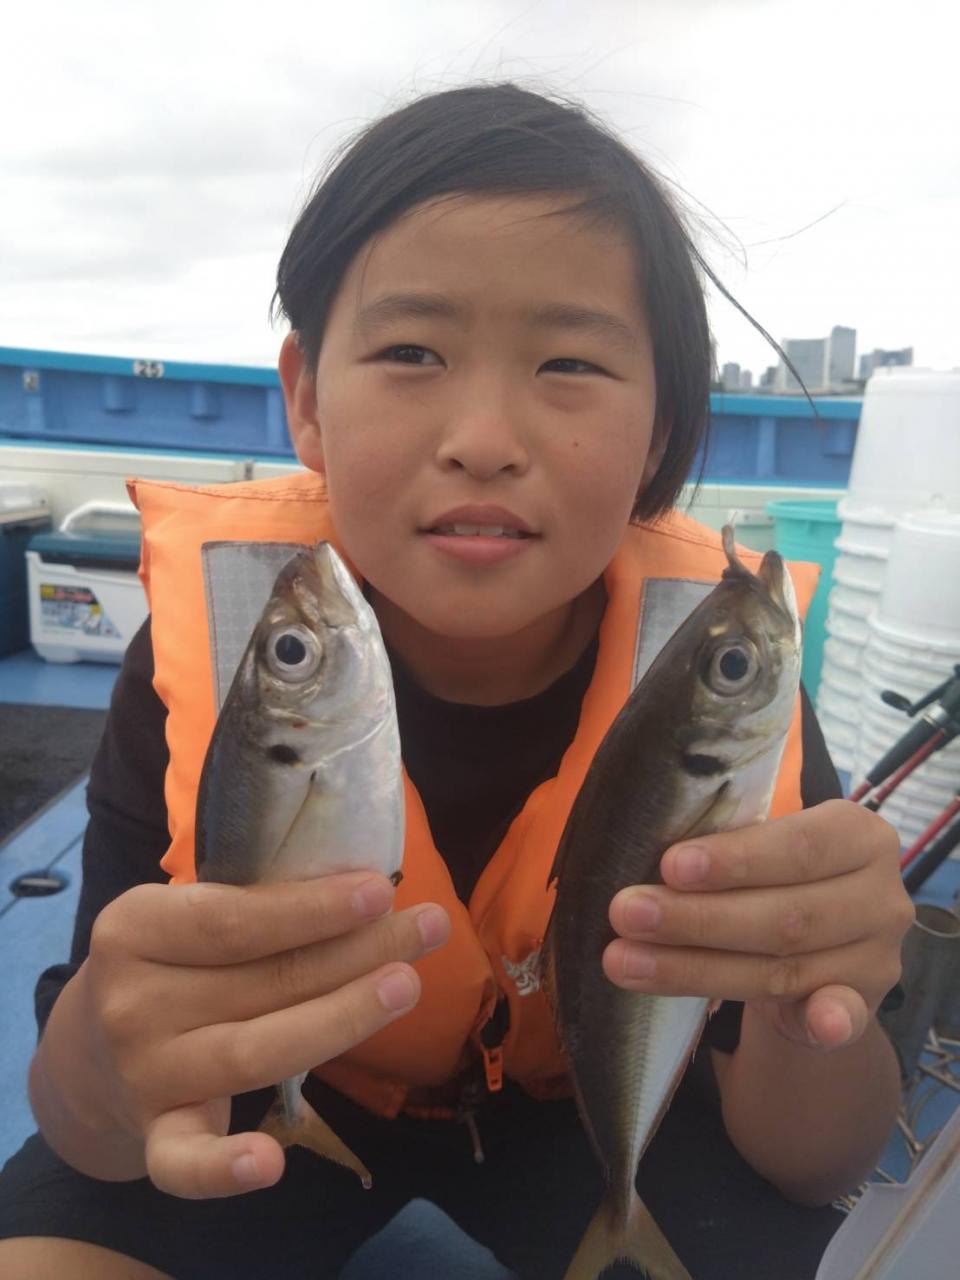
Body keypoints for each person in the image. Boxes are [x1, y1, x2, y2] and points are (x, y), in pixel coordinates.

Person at [0, 83, 912, 1280]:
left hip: (590, 1095)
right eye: (411, 352)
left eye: (571, 361)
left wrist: (817, 1001)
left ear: (661, 432)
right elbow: (95, 1133)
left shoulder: (717, 678)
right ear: (307, 398)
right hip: (284, 1081)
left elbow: (812, 1160)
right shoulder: (226, 650)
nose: (483, 437)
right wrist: (105, 1059)